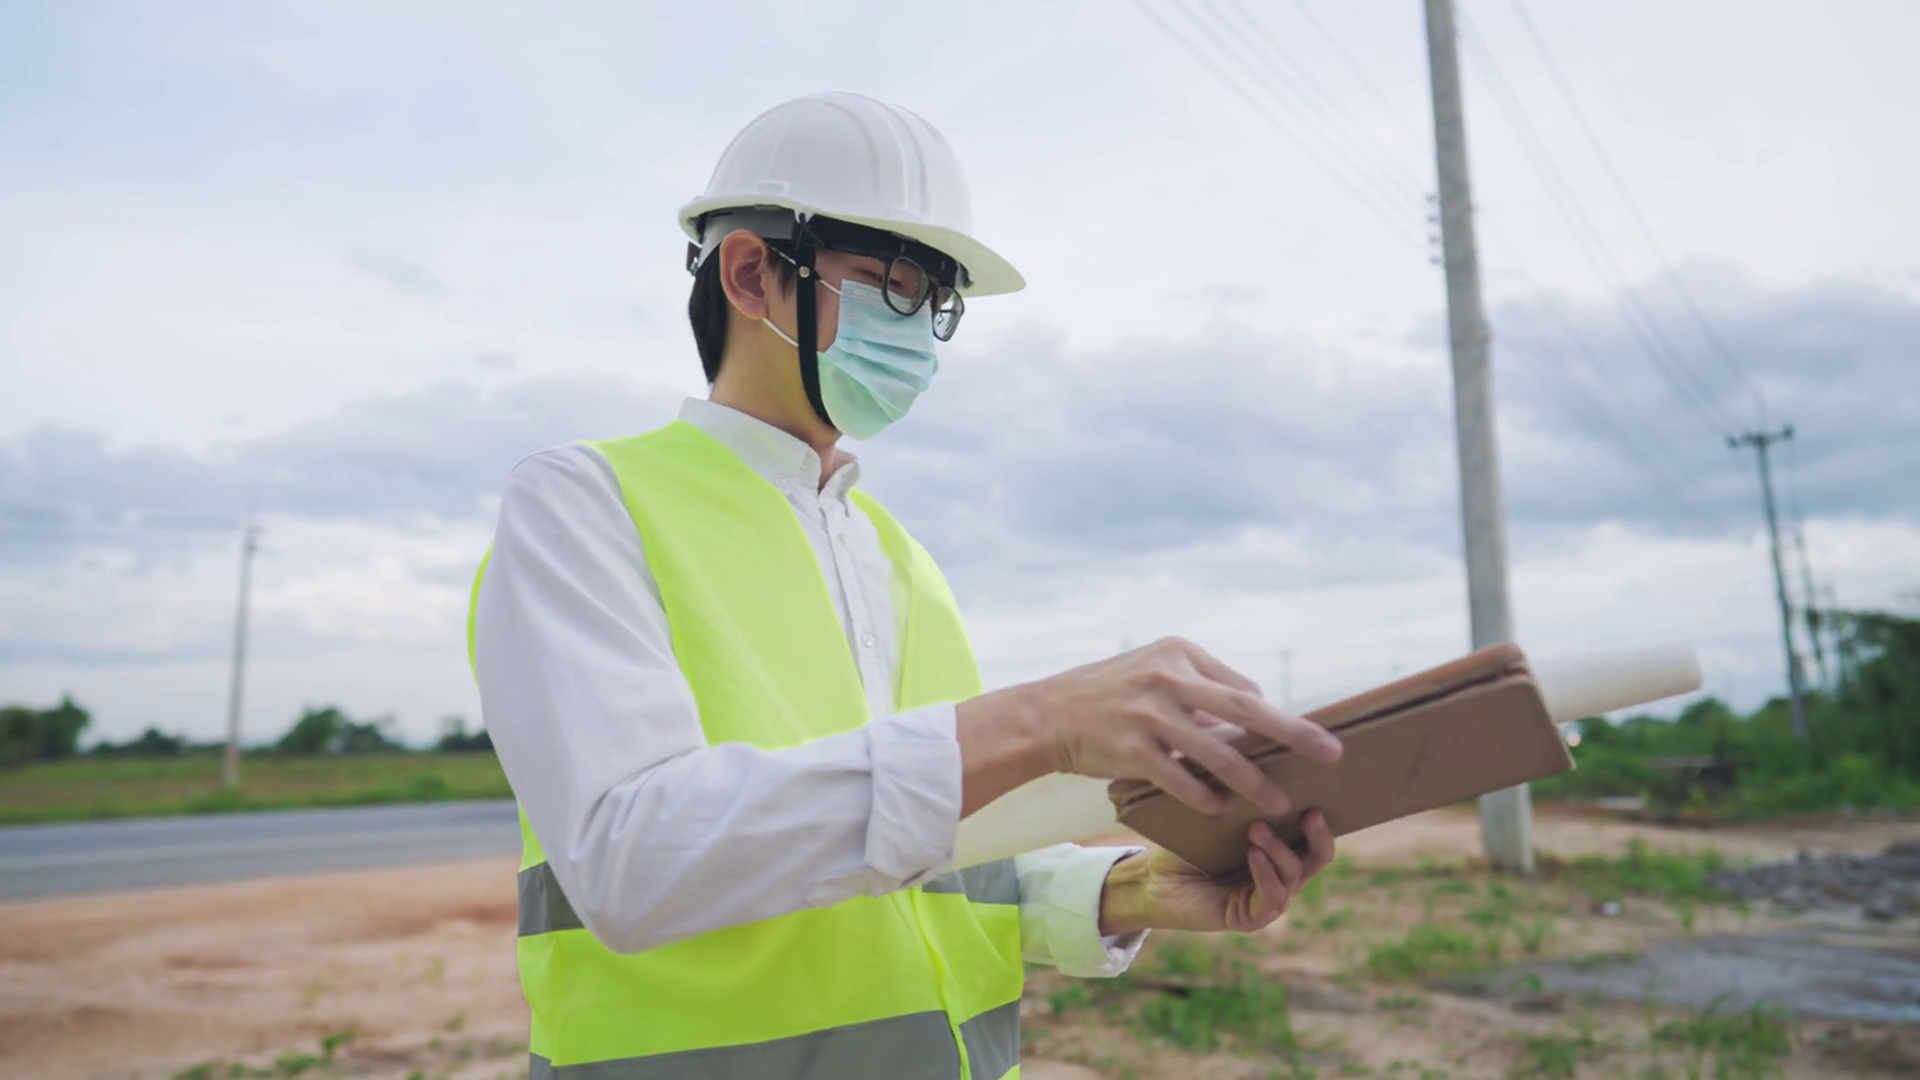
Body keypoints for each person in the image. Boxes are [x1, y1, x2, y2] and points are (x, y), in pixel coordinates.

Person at [470, 91, 1343, 1080]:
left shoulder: (896, 556)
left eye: (940, 304)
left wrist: (1136, 889)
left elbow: (934, 854)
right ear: (752, 272)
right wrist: (1040, 722)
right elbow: (633, 860)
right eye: (895, 285)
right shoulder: (587, 504)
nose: (922, 332)